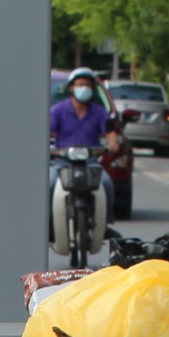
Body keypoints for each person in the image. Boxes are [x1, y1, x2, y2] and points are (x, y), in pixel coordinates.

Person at [49, 69, 114, 227]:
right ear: (71, 88)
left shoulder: (99, 112)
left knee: (106, 184)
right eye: (79, 84)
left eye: (87, 85)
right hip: (62, 161)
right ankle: (49, 225)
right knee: (49, 184)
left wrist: (112, 143)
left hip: (90, 161)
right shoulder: (57, 110)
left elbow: (110, 132)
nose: (83, 88)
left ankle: (104, 225)